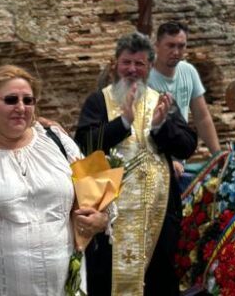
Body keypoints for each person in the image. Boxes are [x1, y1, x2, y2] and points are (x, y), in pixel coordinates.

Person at [0, 65, 108, 296]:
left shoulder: (57, 140)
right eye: (11, 100)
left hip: (64, 285)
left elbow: (99, 195)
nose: (21, 108)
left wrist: (101, 219)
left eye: (28, 100)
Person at [76, 32, 196, 296]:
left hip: (158, 216)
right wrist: (123, 123)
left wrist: (161, 127)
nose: (132, 69)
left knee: (156, 283)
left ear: (149, 67)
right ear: (115, 64)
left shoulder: (161, 101)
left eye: (139, 64)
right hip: (109, 219)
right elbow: (84, 143)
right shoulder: (99, 101)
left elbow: (187, 145)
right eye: (126, 62)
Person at [148, 21, 221, 156]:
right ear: (157, 46)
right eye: (170, 46)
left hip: (181, 151)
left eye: (181, 46)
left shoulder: (189, 71)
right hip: (154, 158)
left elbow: (202, 117)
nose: (176, 52)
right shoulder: (145, 79)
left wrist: (217, 154)